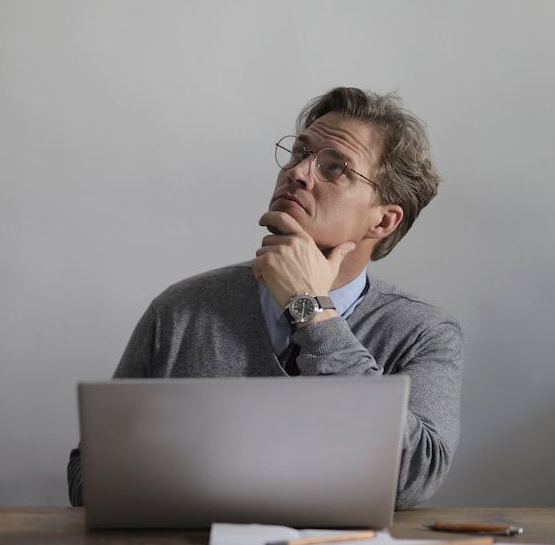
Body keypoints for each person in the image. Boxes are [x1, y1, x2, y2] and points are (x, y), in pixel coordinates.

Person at [67, 86, 462, 510]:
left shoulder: (423, 333)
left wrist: (311, 310)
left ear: (383, 219)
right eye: (299, 152)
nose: (298, 172)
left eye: (335, 167)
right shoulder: (182, 310)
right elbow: (88, 477)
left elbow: (412, 480)